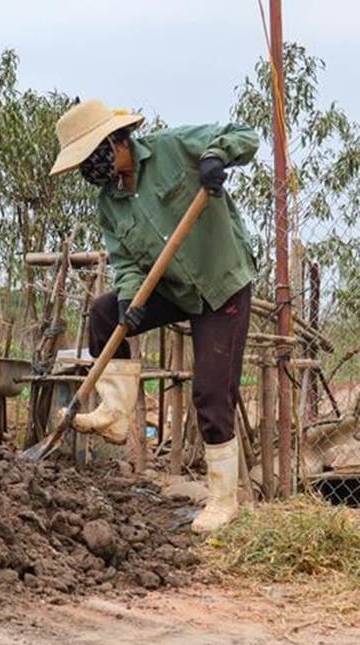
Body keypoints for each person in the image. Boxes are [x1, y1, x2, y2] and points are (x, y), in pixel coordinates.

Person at [49, 99, 259, 532]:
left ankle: (223, 501)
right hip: (173, 287)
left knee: (210, 392)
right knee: (105, 313)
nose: (89, 170)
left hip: (220, 283)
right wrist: (130, 299)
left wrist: (217, 157)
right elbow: (126, 260)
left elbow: (245, 134)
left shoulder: (173, 147)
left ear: (115, 141)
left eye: (90, 157)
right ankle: (115, 412)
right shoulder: (109, 203)